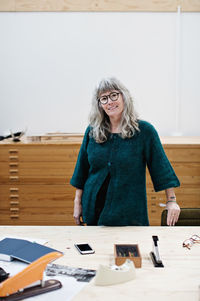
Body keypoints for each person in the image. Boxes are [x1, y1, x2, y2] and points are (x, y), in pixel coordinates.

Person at [70, 77, 180, 226]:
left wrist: (171, 201)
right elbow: (81, 170)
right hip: (93, 211)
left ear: (124, 96)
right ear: (99, 104)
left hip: (129, 215)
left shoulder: (144, 131)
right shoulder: (92, 131)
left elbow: (161, 168)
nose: (110, 102)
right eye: (104, 98)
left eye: (114, 95)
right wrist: (78, 202)